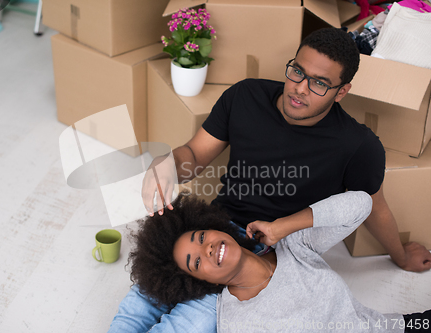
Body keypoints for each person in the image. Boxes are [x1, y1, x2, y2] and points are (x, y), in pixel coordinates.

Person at [108, 27, 431, 332]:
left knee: (190, 324)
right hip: (213, 227)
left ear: (342, 91)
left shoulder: (358, 145)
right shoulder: (246, 96)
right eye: (298, 72)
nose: (300, 89)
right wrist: (166, 165)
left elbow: (372, 207)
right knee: (139, 304)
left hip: (276, 250)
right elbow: (193, 154)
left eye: (319, 83)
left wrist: (400, 256)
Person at [130, 192, 431, 333]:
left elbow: (361, 203)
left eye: (200, 236)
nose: (206, 249)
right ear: (201, 281)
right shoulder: (238, 323)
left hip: (400, 327)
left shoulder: (293, 246)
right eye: (195, 263)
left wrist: (283, 226)